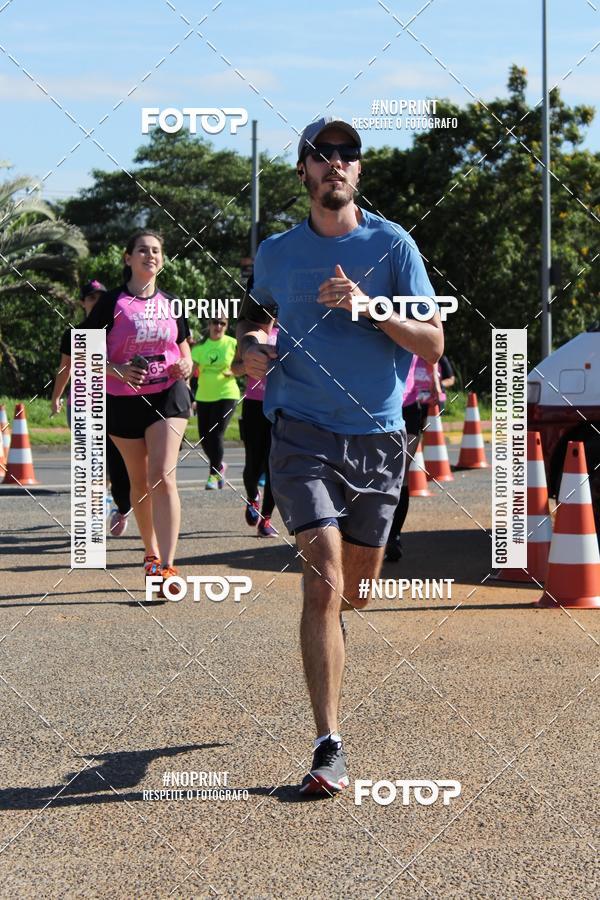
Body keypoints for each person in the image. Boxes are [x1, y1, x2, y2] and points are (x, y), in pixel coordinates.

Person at [237, 116, 443, 796]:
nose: (336, 164)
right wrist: (252, 353)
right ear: (303, 172)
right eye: (322, 155)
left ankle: (338, 634)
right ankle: (329, 744)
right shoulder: (277, 253)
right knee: (321, 578)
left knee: (355, 590)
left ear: (358, 171)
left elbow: (432, 344)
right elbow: (250, 318)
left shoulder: (393, 246)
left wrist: (370, 306)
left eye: (347, 155)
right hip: (300, 431)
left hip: (380, 438)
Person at [83, 230, 192, 592]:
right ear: (127, 258)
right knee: (140, 482)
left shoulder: (173, 303)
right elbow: (84, 351)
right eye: (142, 250)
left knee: (163, 474)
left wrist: (186, 367)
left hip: (167, 395)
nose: (151, 255)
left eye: (156, 250)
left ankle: (168, 566)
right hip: (122, 400)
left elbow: (184, 347)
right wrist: (117, 370)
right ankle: (150, 552)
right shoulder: (111, 303)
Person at [50, 279, 131, 537]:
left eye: (101, 297)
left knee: (116, 462)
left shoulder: (118, 329)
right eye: (92, 298)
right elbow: (65, 368)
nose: (97, 302)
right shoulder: (74, 333)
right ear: (83, 302)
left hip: (114, 403)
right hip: (82, 405)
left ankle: (121, 505)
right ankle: (98, 508)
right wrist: (56, 397)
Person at [385, 355, 443, 561]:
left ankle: (393, 537)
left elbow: (432, 349)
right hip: (376, 402)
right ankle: (378, 535)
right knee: (377, 472)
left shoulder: (417, 321)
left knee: (400, 473)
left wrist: (435, 382)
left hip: (408, 403)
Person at [191, 317, 244, 490]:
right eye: (215, 322)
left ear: (227, 326)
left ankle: (213, 475)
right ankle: (220, 466)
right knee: (204, 437)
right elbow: (190, 371)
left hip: (227, 394)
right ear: (209, 325)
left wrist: (236, 370)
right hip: (204, 395)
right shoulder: (200, 347)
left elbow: (244, 364)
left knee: (216, 434)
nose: (218, 326)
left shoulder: (233, 343)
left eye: (222, 323)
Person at [239, 318, 279, 537]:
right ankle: (252, 496)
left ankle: (266, 519)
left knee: (274, 464)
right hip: (254, 404)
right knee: (253, 462)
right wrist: (249, 363)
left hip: (281, 403)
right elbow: (235, 368)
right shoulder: (253, 331)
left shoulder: (291, 329)